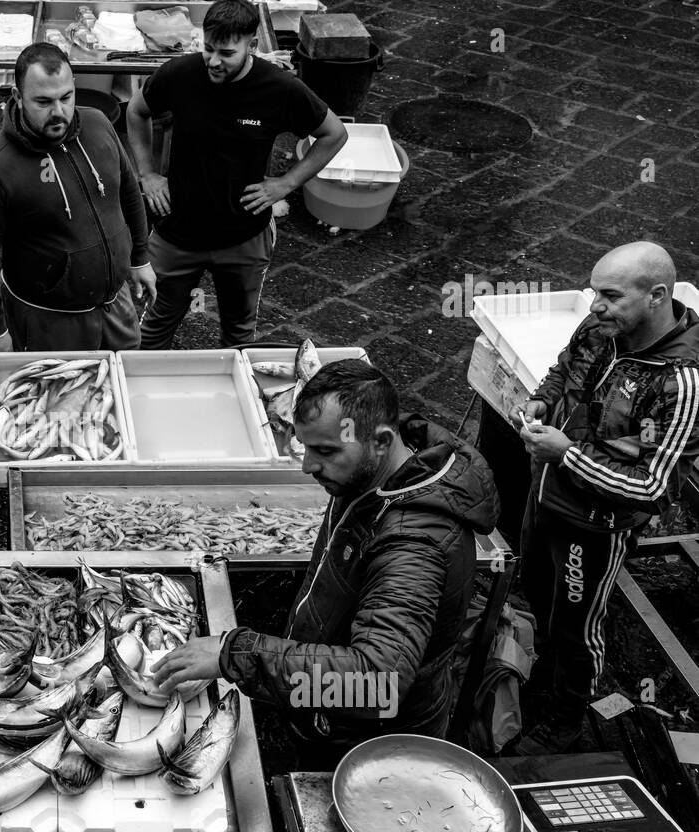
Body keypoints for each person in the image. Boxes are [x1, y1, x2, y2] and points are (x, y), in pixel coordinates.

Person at [154, 360, 501, 768]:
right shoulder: (374, 474)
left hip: (367, 747)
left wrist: (236, 654)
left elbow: (377, 684)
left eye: (325, 451)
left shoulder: (413, 545)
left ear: (381, 441)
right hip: (324, 711)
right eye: (305, 447)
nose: (307, 466)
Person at [507, 241, 699, 755]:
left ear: (657, 295)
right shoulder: (600, 328)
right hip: (544, 496)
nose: (595, 305)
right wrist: (540, 400)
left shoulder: (680, 382)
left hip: (594, 526)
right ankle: (537, 672)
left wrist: (565, 454)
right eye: (595, 292)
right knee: (536, 590)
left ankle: (566, 719)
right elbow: (562, 368)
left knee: (578, 625)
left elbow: (652, 486)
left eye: (610, 295)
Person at [126, 0, 347, 349]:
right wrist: (148, 174)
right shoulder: (179, 74)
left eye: (226, 53)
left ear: (253, 47)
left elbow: (334, 134)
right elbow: (137, 112)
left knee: (239, 333)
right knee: (154, 328)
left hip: (244, 236)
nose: (213, 61)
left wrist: (287, 183)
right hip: (176, 232)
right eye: (208, 48)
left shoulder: (278, 88)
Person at [0, 43, 155, 353]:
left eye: (66, 97)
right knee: (60, 398)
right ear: (17, 96)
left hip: (115, 306)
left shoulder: (98, 124)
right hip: (49, 320)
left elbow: (129, 190)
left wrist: (140, 258)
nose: (58, 112)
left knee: (122, 388)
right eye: (43, 101)